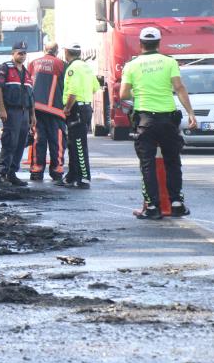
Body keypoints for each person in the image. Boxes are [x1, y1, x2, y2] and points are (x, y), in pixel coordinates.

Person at [119, 27, 198, 219]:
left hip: (145, 120)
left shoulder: (132, 65)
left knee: (147, 164)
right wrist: (191, 113)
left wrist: (138, 93)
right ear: (159, 43)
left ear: (140, 44)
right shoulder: (169, 62)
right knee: (173, 161)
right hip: (167, 119)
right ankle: (177, 203)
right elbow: (179, 87)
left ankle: (152, 207)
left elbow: (123, 94)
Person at [0, 40, 35, 186]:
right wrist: (2, 109)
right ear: (13, 53)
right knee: (9, 141)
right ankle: (3, 172)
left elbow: (31, 95)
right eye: (20, 53)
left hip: (24, 113)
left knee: (21, 142)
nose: (23, 56)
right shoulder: (5, 68)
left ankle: (12, 173)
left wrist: (33, 116)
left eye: (24, 53)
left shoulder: (26, 72)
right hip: (11, 111)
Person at [61, 42, 100, 188]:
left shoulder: (73, 68)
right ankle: (72, 175)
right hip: (85, 107)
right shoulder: (86, 66)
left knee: (78, 144)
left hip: (76, 108)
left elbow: (73, 91)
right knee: (72, 143)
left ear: (66, 52)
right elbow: (95, 87)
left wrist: (67, 108)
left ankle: (84, 177)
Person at [27, 41, 66, 183]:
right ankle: (57, 171)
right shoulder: (61, 65)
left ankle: (37, 171)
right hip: (55, 111)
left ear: (44, 50)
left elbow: (28, 84)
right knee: (57, 142)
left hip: (36, 110)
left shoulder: (33, 63)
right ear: (57, 51)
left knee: (38, 140)